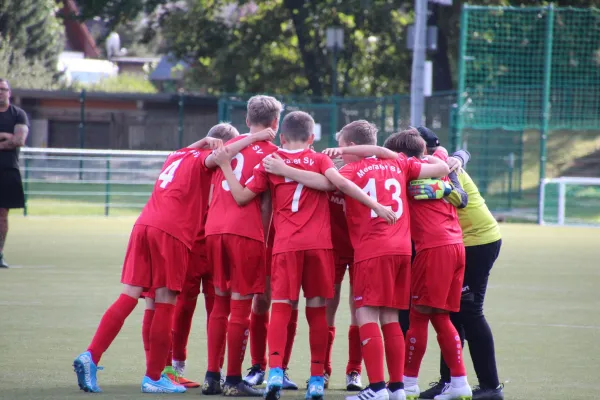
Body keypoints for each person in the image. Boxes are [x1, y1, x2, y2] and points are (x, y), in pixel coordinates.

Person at [214, 112, 397, 400]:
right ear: (312, 138)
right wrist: (378, 205)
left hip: (286, 246)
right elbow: (337, 184)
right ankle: (315, 378)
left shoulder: (270, 163)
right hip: (320, 246)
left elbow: (241, 197)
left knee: (282, 306)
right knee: (317, 310)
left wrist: (225, 165)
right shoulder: (321, 160)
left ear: (282, 137)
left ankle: (275, 370)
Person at [72, 135, 223, 394]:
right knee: (165, 301)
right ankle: (154, 377)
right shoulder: (205, 163)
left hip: (144, 224)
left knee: (130, 295)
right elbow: (218, 157)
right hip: (171, 232)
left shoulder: (177, 155)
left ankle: (91, 355)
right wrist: (255, 137)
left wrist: (204, 141)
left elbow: (194, 148)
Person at [201, 95, 282, 397]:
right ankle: (234, 380)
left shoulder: (230, 146)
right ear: (276, 122)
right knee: (240, 307)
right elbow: (266, 203)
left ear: (247, 121)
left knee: (219, 304)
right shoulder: (274, 153)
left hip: (214, 230)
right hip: (245, 233)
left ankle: (212, 376)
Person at [415, 127, 504, 400]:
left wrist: (458, 157)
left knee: (469, 312)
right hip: (466, 242)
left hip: (476, 242)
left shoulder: (436, 166)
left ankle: (490, 387)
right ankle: (451, 383)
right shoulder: (436, 161)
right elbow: (459, 153)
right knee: (453, 314)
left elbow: (460, 198)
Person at [383, 128, 472, 400]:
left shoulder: (407, 173)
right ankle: (459, 383)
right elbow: (445, 153)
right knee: (441, 317)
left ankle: (408, 383)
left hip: (433, 249)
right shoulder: (437, 165)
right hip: (455, 246)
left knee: (419, 316)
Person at [164, 123, 242, 388]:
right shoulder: (199, 164)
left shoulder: (227, 168)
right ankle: (184, 367)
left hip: (209, 243)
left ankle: (206, 370)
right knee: (197, 308)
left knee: (209, 309)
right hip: (199, 243)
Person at [0, 78, 29, 268]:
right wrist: (5, 136)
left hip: (7, 170)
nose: (0, 92)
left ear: (9, 92)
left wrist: (11, 137)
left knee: (2, 215)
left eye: (3, 89)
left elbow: (19, 140)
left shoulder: (18, 114)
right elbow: (13, 138)